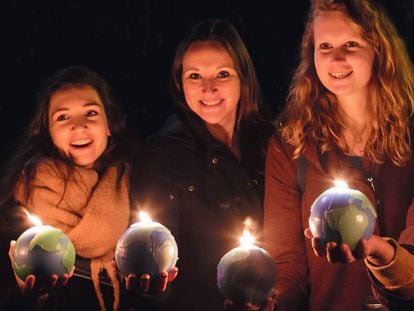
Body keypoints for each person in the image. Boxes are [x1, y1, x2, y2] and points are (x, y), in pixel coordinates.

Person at [263, 0, 414, 310]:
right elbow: (287, 266)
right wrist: (267, 300)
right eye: (325, 46)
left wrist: (380, 253)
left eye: (351, 44)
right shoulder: (291, 145)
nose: (336, 58)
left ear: (379, 51)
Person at [132, 19, 274, 310]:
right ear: (179, 82)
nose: (208, 89)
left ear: (243, 79)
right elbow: (155, 260)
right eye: (195, 76)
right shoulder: (164, 156)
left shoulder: (271, 142)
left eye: (222, 74)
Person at [0, 65, 132, 311]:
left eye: (90, 113)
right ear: (48, 132)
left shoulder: (138, 187)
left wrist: (150, 294)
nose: (79, 126)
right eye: (63, 117)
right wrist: (28, 295)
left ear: (109, 125)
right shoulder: (18, 202)